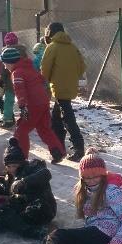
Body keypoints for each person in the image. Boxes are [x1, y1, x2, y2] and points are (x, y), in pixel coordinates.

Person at [18, 149, 122, 244]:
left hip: (105, 236)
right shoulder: (85, 190)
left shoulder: (112, 190)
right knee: (51, 242)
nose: (91, 180)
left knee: (58, 236)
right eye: (87, 177)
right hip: (95, 234)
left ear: (103, 174)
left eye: (95, 176)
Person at [1, 47, 66, 164]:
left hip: (32, 105)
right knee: (44, 129)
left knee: (21, 130)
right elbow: (42, 81)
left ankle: (21, 157)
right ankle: (58, 152)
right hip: (43, 103)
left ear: (10, 62)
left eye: (5, 64)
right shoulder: (30, 68)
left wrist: (22, 106)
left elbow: (20, 90)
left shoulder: (17, 73)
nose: (5, 67)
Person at [0, 137, 57, 239]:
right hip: (24, 207)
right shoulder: (9, 177)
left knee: (22, 215)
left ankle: (29, 231)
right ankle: (15, 225)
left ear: (21, 163)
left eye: (14, 165)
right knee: (1, 211)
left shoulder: (32, 167)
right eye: (8, 166)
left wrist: (24, 182)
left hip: (42, 207)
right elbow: (6, 190)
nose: (11, 169)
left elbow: (46, 174)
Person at [40, 22, 87, 161]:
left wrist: (45, 81)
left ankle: (78, 148)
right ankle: (59, 150)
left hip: (58, 87)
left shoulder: (52, 47)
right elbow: (82, 67)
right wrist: (71, 76)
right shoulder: (72, 47)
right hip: (70, 86)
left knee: (67, 118)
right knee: (56, 120)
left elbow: (45, 68)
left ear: (49, 33)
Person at [0, 32, 28, 129]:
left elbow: (3, 70)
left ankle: (8, 119)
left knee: (8, 101)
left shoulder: (6, 52)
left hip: (10, 82)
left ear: (6, 43)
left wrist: (1, 81)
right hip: (23, 80)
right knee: (23, 100)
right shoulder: (23, 53)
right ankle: (26, 118)